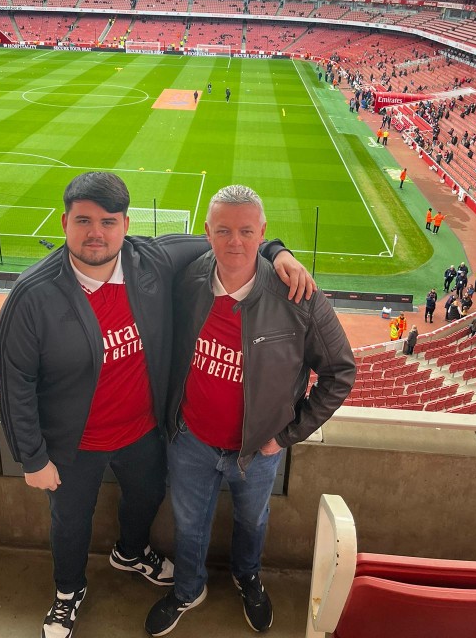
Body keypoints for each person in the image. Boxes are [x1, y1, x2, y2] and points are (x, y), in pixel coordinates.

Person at [0, 172, 313, 638]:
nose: (95, 233)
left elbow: (229, 235)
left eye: (108, 221)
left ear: (126, 225)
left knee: (146, 499)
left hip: (143, 433)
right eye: (83, 220)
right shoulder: (32, 294)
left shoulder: (151, 260)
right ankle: (67, 593)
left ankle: (131, 551)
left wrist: (277, 251)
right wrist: (33, 456)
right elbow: (14, 381)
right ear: (64, 223)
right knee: (70, 523)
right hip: (73, 443)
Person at [144, 185, 355, 637]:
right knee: (188, 522)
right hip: (191, 440)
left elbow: (339, 372)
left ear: (262, 233)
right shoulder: (188, 280)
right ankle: (187, 588)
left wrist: (285, 436)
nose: (234, 241)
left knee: (253, 521)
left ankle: (247, 577)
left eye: (246, 231)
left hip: (260, 449)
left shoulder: (299, 295)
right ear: (207, 233)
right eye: (222, 230)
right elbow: (138, 253)